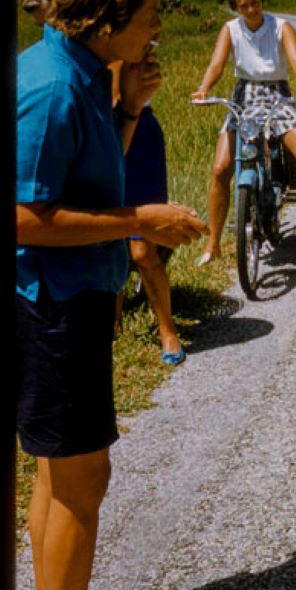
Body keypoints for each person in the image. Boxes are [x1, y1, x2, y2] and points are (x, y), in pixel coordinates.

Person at [16, 0, 209, 590]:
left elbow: (92, 178)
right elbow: (25, 218)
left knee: (55, 471)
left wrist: (129, 108)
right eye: (151, 16)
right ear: (109, 18)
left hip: (74, 298)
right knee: (80, 478)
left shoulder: (87, 75)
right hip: (53, 308)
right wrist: (143, 220)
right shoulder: (51, 90)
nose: (159, 29)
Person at [192, 0, 296, 263]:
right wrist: (204, 89)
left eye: (255, 3)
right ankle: (213, 243)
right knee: (220, 169)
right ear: (235, 8)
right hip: (244, 94)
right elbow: (217, 63)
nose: (251, 10)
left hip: (277, 94)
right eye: (243, 6)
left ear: (262, 1)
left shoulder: (279, 26)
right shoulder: (230, 29)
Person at [110, 60, 185, 365]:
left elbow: (118, 95)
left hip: (139, 133)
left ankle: (168, 329)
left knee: (142, 249)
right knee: (106, 239)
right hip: (97, 134)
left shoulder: (129, 37)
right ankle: (112, 322)